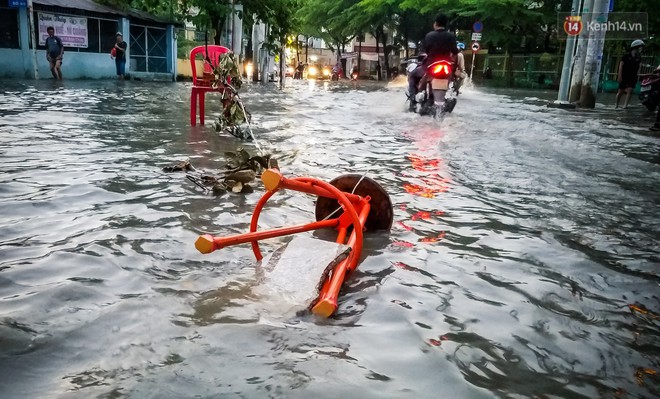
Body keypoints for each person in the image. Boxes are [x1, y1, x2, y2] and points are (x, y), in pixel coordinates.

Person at [408, 13, 458, 108]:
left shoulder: (429, 36)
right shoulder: (451, 36)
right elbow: (455, 51)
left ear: (436, 23)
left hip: (431, 67)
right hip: (446, 68)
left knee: (412, 75)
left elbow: (425, 51)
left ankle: (412, 101)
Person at [616, 39, 644, 109]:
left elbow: (639, 66)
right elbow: (621, 66)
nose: (641, 48)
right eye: (640, 47)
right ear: (636, 47)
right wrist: (619, 76)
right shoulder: (626, 56)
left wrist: (638, 75)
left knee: (630, 90)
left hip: (633, 76)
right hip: (624, 75)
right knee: (620, 91)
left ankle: (625, 106)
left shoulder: (638, 57)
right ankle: (616, 105)